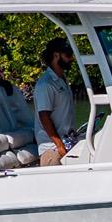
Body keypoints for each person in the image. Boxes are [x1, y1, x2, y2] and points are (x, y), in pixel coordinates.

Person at [31, 38, 77, 166]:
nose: (71, 59)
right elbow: (44, 117)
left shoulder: (62, 79)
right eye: (68, 55)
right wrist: (60, 146)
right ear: (56, 55)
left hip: (68, 142)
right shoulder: (46, 84)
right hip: (51, 148)